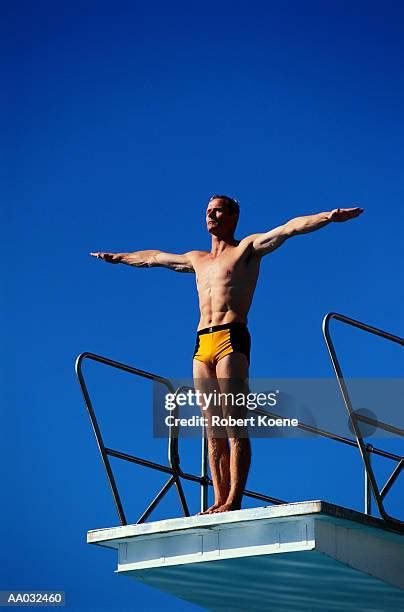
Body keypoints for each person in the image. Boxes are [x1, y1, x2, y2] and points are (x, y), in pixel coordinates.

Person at [91, 195, 363, 513]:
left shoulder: (245, 249)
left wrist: (328, 216)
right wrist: (119, 257)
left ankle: (234, 499)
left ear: (233, 215)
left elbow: (288, 229)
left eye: (218, 210)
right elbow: (153, 257)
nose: (211, 215)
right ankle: (218, 500)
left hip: (231, 339)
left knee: (234, 423)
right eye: (207, 211)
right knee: (212, 430)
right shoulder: (197, 259)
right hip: (201, 344)